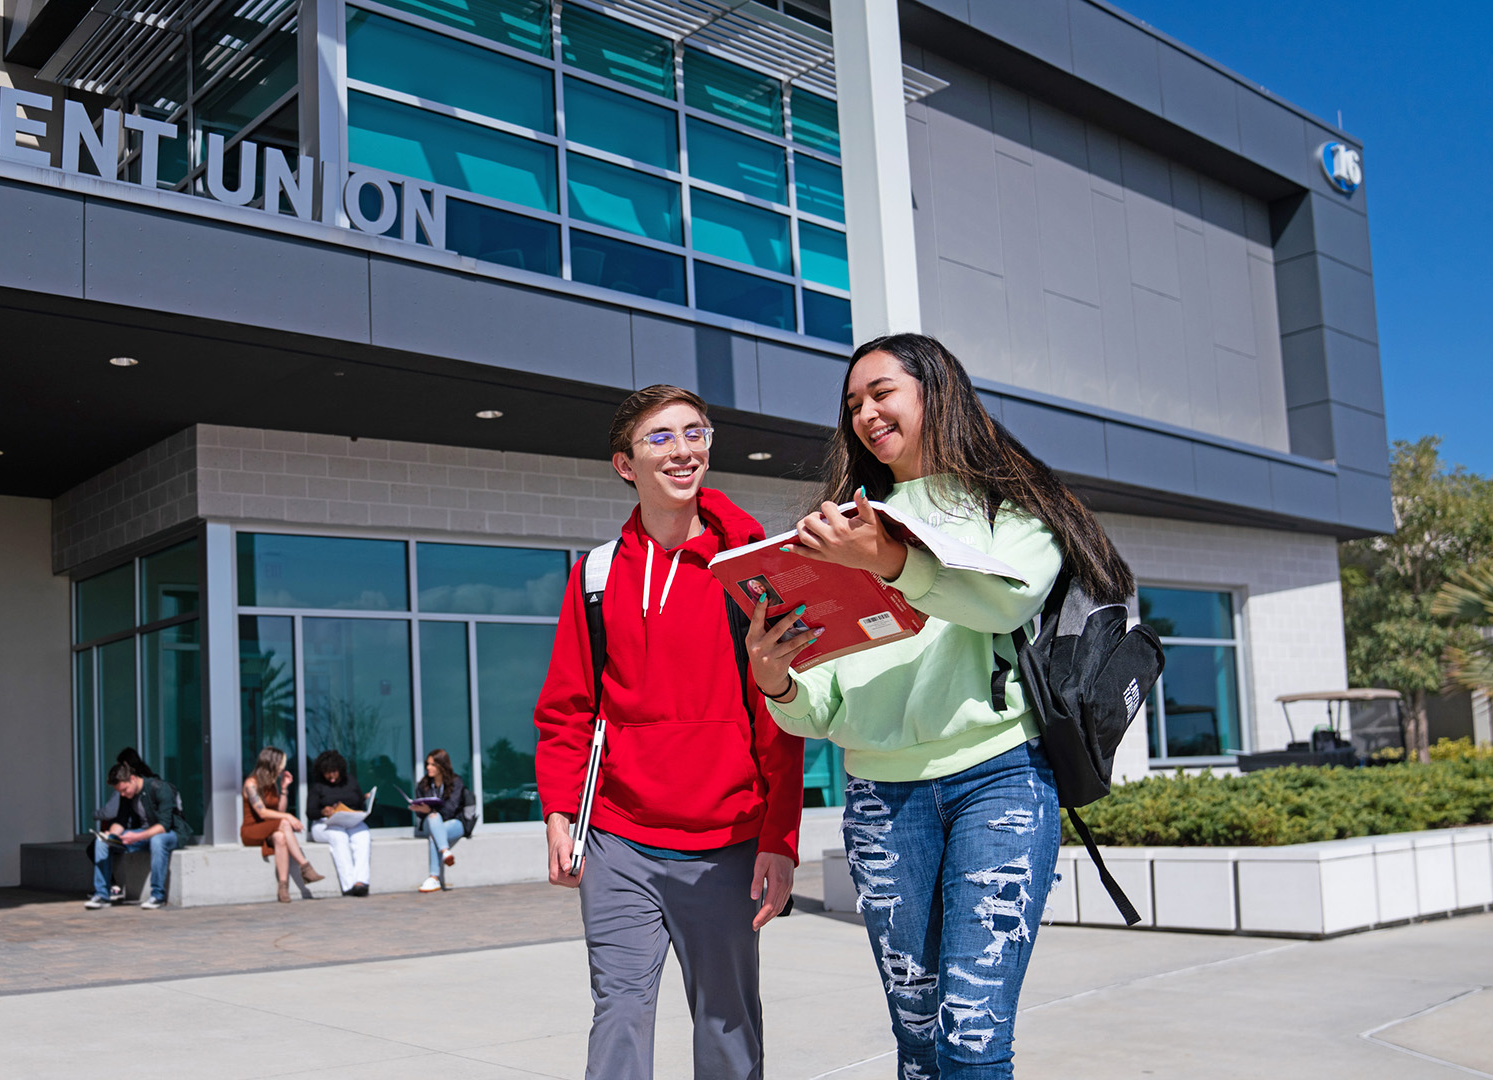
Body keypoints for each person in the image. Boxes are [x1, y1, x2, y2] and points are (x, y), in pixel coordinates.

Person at [748, 333, 1134, 1078]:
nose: (865, 413)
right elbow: (823, 700)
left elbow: (1005, 598)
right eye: (852, 403)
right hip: (879, 800)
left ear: (936, 391)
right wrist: (778, 683)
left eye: (882, 392)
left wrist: (892, 562)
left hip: (998, 780)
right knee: (920, 1040)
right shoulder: (841, 527)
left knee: (972, 1034)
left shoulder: (1009, 507)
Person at [535, 384, 804, 1080]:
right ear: (626, 464)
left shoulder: (750, 570)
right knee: (619, 1012)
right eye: (660, 437)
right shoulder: (595, 575)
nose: (683, 450)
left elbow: (780, 718)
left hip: (725, 842)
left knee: (726, 1021)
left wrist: (779, 839)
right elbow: (569, 709)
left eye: (695, 433)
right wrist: (561, 813)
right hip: (619, 838)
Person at [87, 760, 195, 910]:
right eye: (120, 792)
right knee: (101, 843)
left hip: (171, 833)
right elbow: (121, 820)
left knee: (157, 840)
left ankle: (157, 896)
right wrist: (111, 835)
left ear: (132, 778)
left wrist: (137, 837)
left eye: (124, 790)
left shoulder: (160, 788)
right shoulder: (126, 795)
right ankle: (102, 895)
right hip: (144, 834)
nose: (123, 794)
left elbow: (164, 825)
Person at [241, 745, 323, 902]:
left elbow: (278, 809)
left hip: (270, 829)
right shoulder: (251, 784)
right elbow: (262, 812)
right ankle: (305, 867)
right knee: (284, 823)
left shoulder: (272, 784)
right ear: (271, 764)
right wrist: (288, 817)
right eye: (280, 765)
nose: (282, 769)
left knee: (280, 837)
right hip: (252, 831)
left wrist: (284, 789)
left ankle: (283, 887)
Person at [306, 749, 371, 897]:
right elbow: (310, 813)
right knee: (339, 837)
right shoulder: (317, 787)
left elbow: (359, 804)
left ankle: (361, 882)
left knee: (363, 835)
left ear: (340, 769)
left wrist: (366, 799)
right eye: (327, 772)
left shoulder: (351, 781)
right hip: (325, 824)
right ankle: (348, 885)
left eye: (334, 771)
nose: (331, 776)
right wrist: (323, 812)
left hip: (350, 821)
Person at [410, 748, 473, 893]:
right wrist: (422, 811)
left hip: (454, 823)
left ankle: (434, 878)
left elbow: (452, 809)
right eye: (427, 764)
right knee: (433, 818)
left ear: (441, 765)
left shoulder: (456, 782)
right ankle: (445, 853)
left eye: (432, 764)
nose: (428, 768)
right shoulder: (423, 784)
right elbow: (422, 814)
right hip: (429, 823)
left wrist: (431, 810)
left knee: (435, 833)